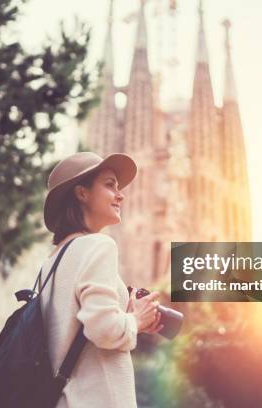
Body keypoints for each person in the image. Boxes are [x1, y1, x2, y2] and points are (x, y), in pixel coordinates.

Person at [40, 151, 163, 408]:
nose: (120, 195)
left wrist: (126, 314)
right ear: (82, 193)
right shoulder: (99, 246)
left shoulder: (51, 263)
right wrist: (136, 321)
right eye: (110, 185)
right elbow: (103, 330)